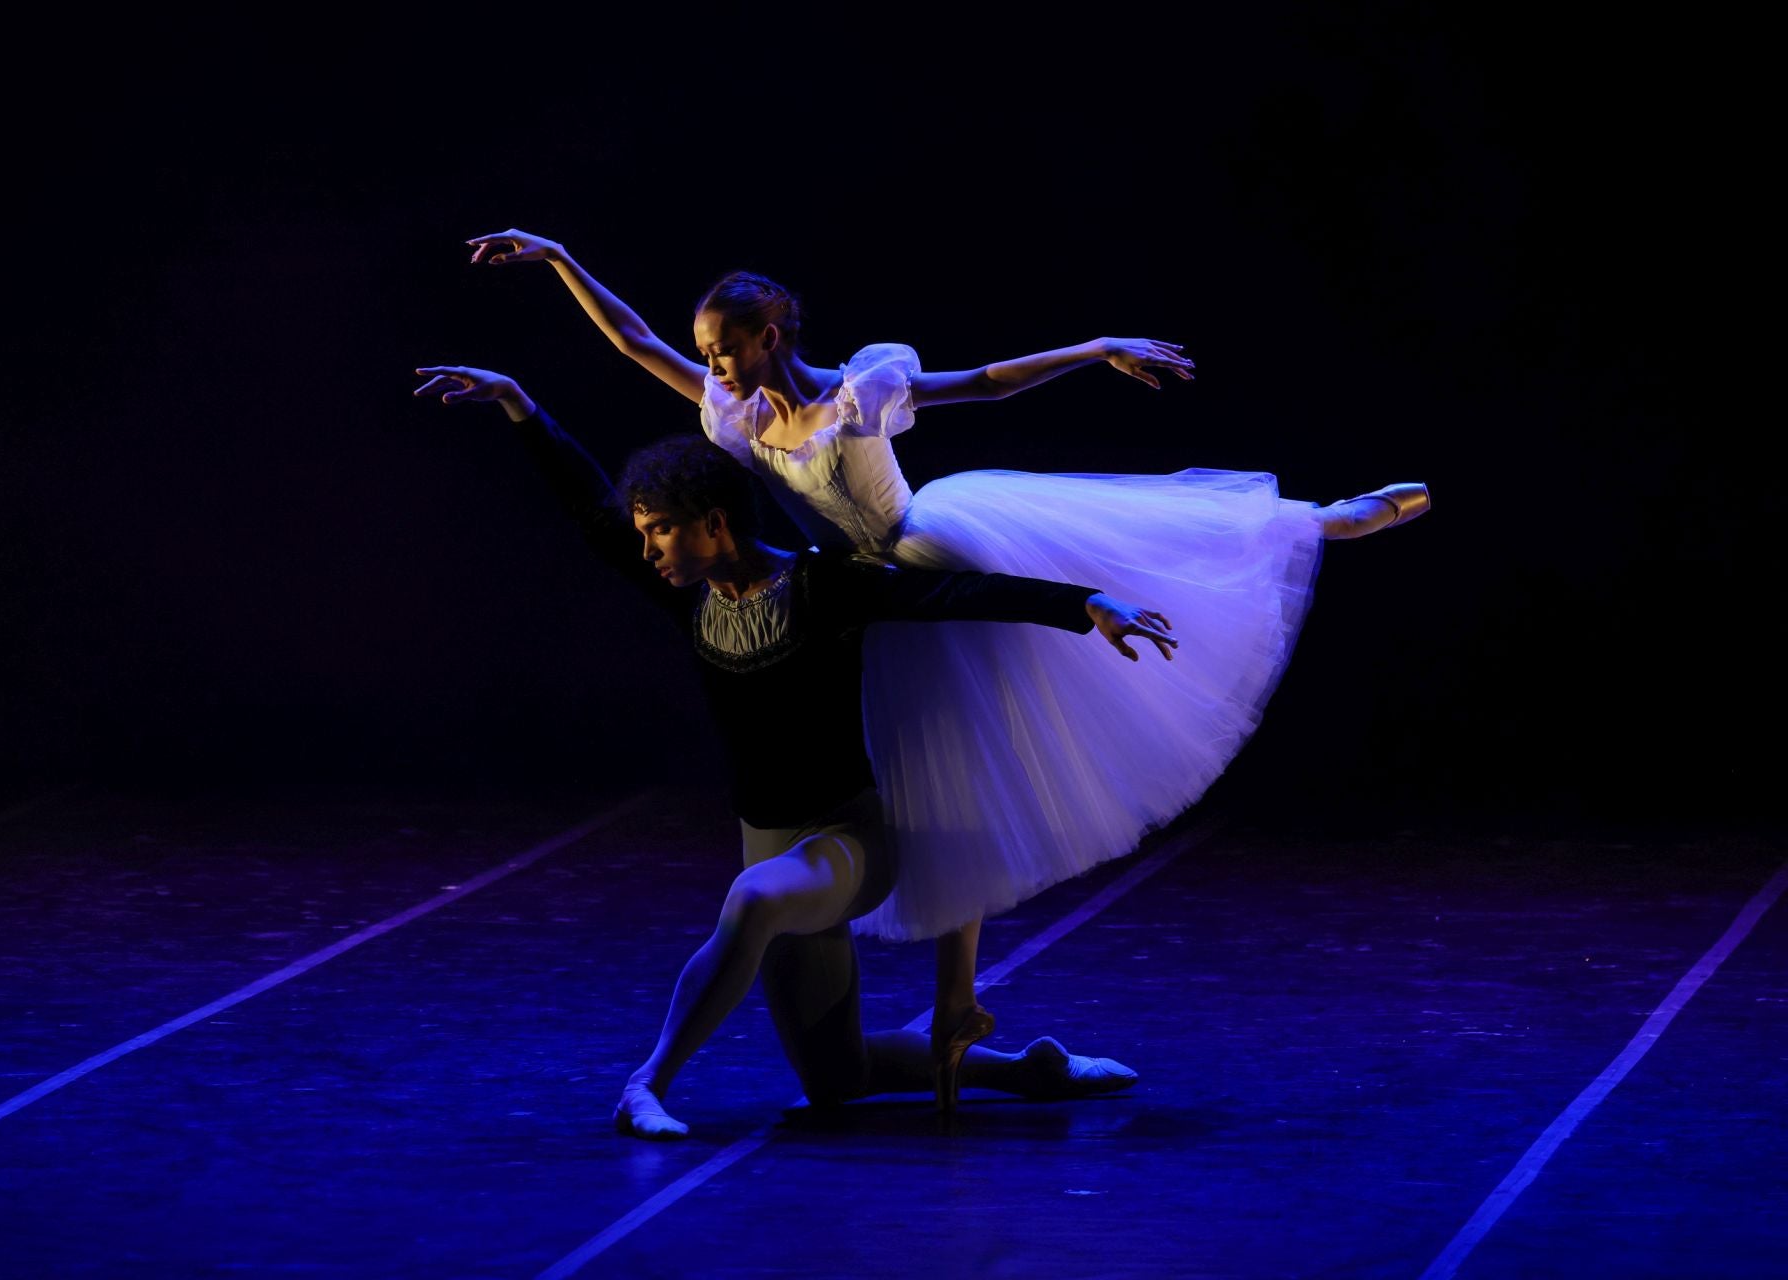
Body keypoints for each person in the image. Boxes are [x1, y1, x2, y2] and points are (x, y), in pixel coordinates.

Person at [459, 227, 1430, 1094]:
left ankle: (1319, 521)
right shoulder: (738, 415)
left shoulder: (861, 390)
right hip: (853, 593)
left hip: (930, 551)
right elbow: (635, 342)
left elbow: (988, 379)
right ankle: (959, 1012)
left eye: (727, 348)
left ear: (773, 334)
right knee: (933, 780)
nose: (713, 366)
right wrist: (557, 261)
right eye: (707, 353)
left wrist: (1094, 349)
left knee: (1034, 670)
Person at [414, 361, 1169, 1133]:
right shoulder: (692, 600)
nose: (647, 552)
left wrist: (1085, 605)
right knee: (836, 1079)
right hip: (769, 845)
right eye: (643, 534)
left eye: (661, 531)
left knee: (752, 898)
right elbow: (589, 508)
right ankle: (1027, 1071)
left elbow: (951, 595)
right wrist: (519, 402)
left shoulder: (820, 587)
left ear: (715, 523)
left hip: (847, 840)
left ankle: (646, 1084)